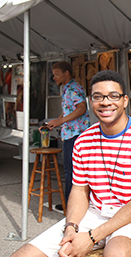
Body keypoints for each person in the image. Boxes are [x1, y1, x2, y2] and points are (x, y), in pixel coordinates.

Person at [12, 70, 131, 257]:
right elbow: (79, 190)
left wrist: (91, 238)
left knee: (116, 253)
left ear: (125, 101)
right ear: (91, 102)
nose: (105, 102)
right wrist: (71, 227)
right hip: (95, 213)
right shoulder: (83, 141)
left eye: (113, 96)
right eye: (98, 97)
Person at [44, 61, 90, 211]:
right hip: (71, 133)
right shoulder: (67, 88)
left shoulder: (74, 88)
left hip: (76, 134)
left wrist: (61, 121)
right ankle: (70, 204)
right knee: (70, 171)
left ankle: (71, 207)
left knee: (71, 171)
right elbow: (69, 110)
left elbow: (81, 108)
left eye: (57, 74)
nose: (54, 77)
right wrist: (56, 121)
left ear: (66, 73)